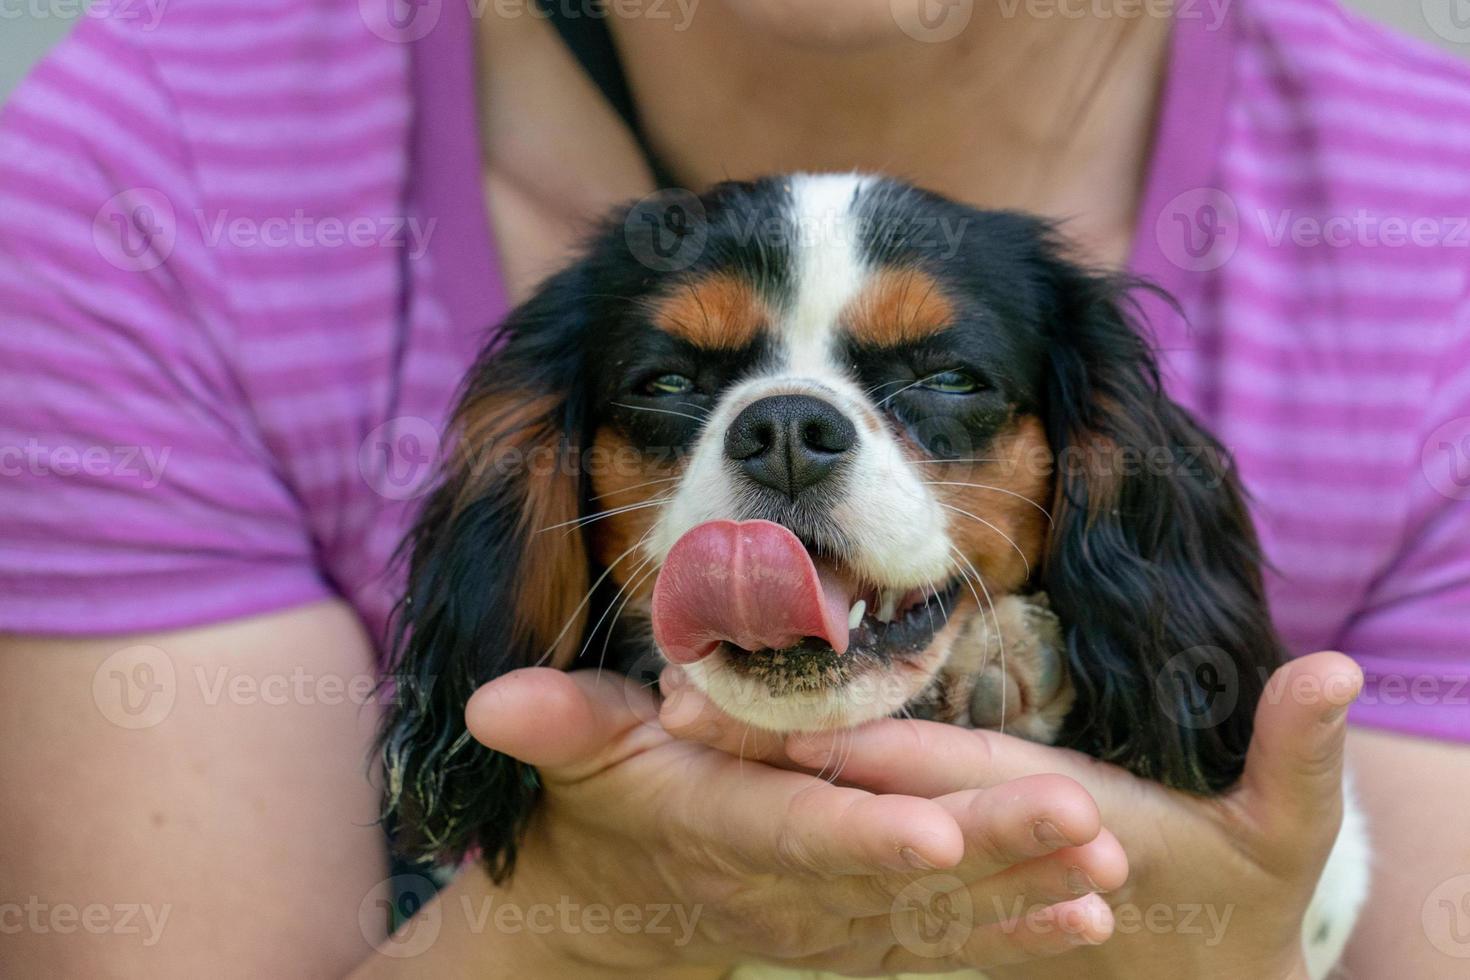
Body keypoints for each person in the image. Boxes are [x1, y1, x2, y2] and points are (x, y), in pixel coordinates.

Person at [1, 0, 1467, 976]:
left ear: (1080, 460)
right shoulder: (150, 167)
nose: (787, 440)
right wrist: (569, 924)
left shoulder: (1436, 212)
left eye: (943, 386)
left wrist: (1229, 950)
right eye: (670, 390)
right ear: (551, 481)